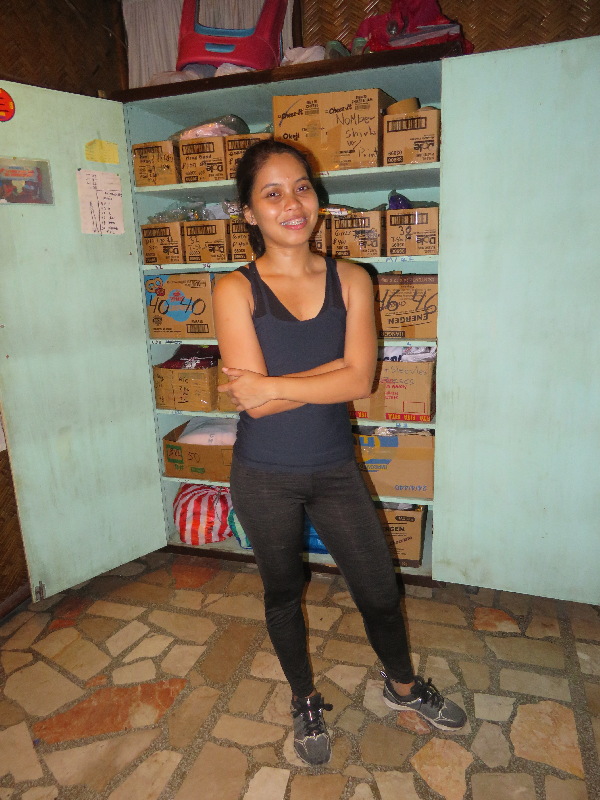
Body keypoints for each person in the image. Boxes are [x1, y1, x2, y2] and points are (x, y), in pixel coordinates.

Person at [213, 139, 466, 766]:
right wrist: (314, 379)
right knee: (283, 591)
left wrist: (272, 383)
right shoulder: (234, 289)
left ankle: (402, 686)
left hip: (333, 469)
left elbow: (360, 381)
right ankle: (304, 699)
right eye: (272, 193)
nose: (292, 204)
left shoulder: (353, 278)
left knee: (378, 589)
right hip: (263, 473)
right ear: (249, 211)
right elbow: (257, 408)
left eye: (302, 187)